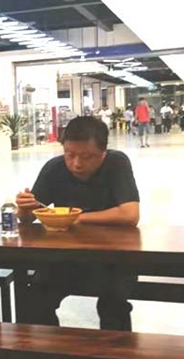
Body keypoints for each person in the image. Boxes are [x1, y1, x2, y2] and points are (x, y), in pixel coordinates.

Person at [16, 116, 139, 332]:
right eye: (69, 154)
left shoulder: (116, 163)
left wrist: (76, 217)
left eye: (86, 156)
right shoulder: (54, 168)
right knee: (35, 298)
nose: (76, 163)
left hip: (113, 259)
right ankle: (52, 350)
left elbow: (130, 214)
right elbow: (29, 217)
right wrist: (24, 208)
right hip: (66, 258)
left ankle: (117, 352)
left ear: (103, 152)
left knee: (114, 303)